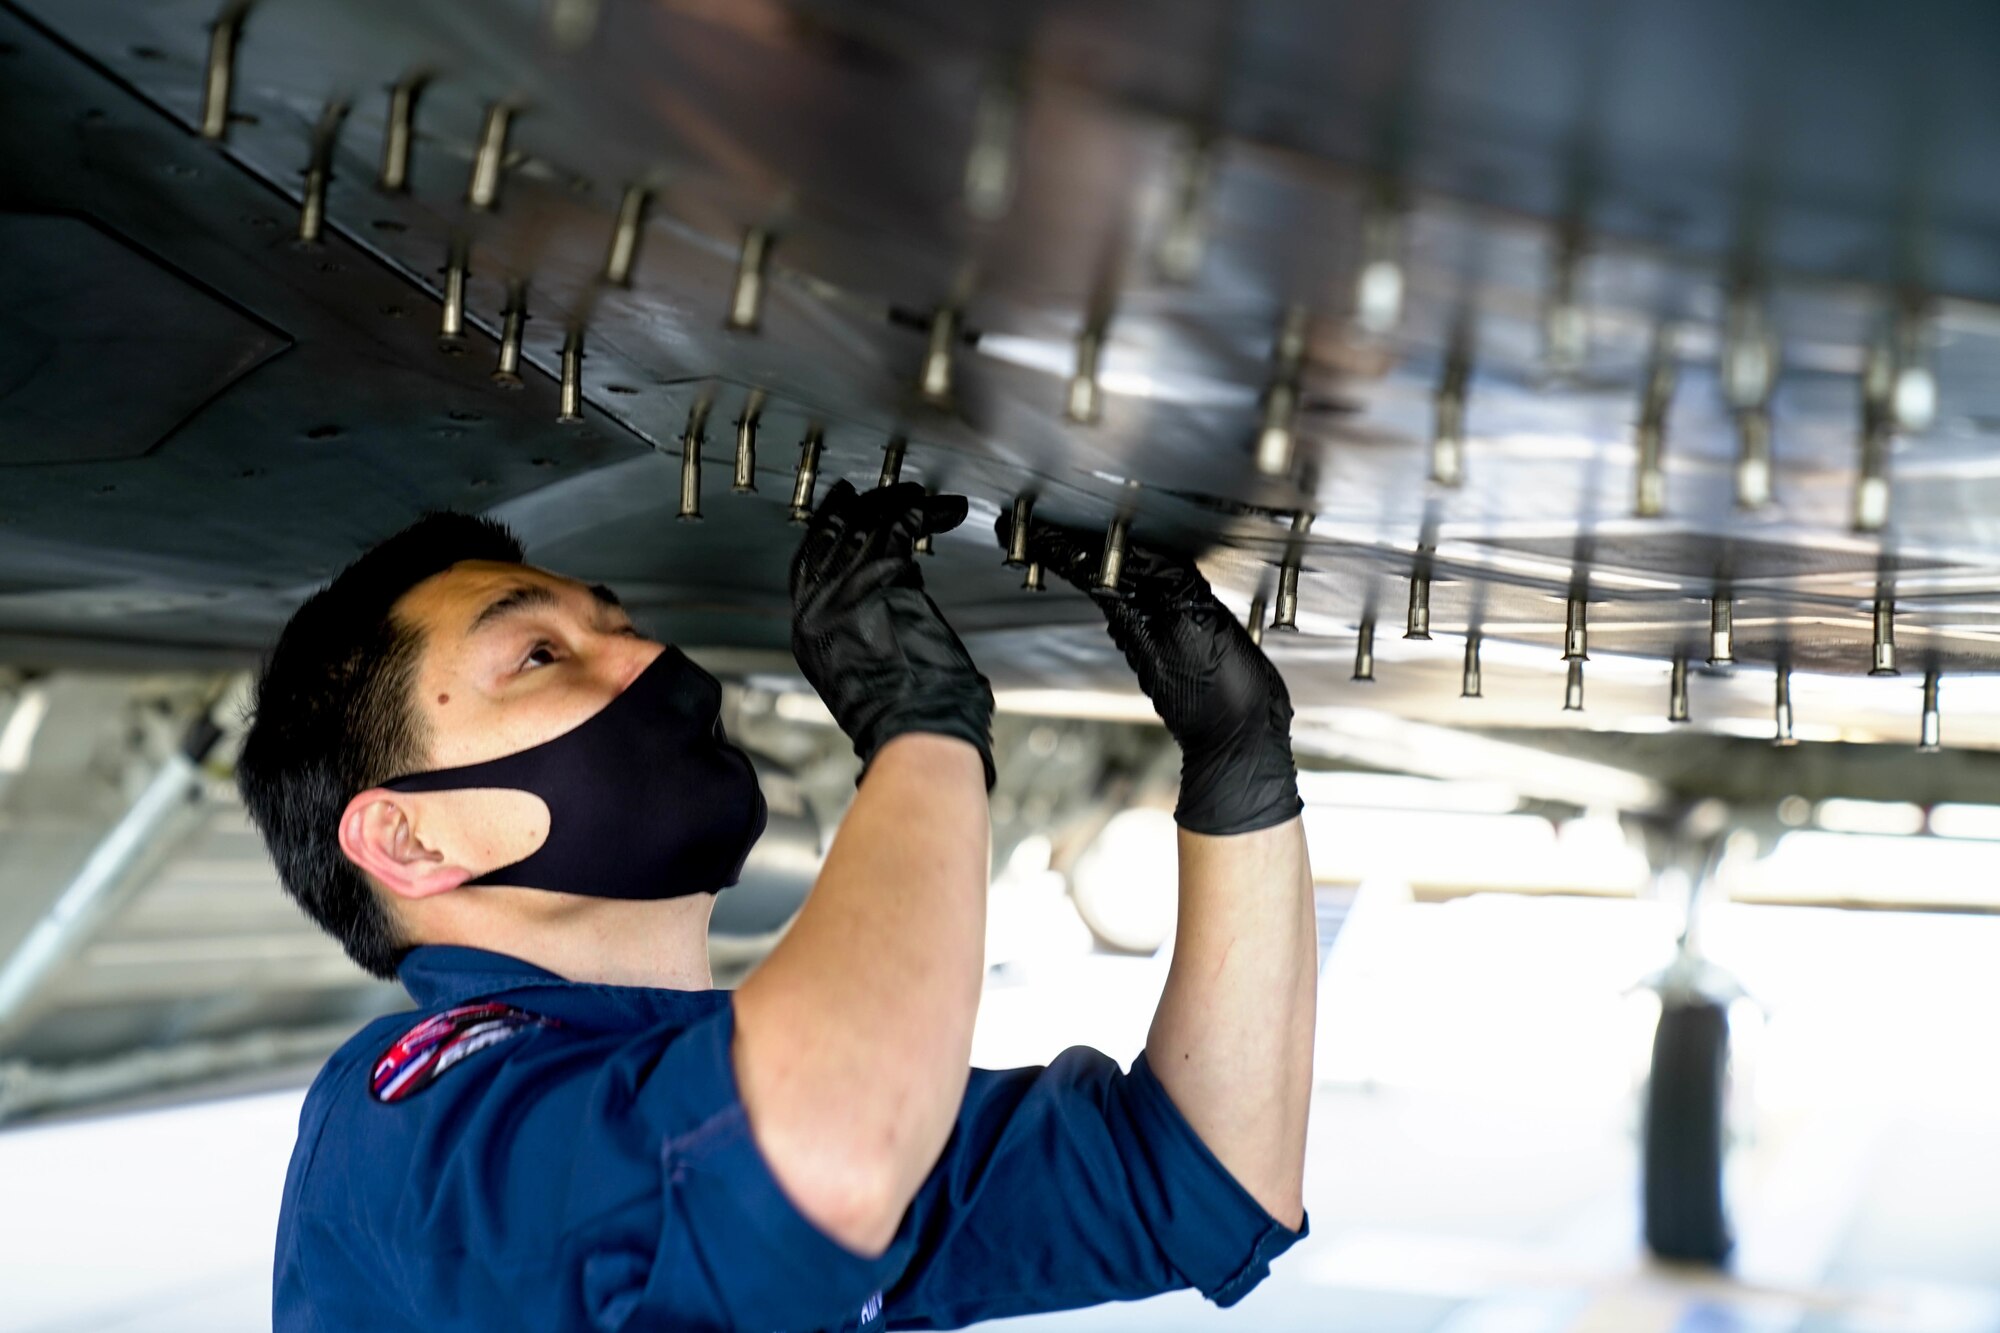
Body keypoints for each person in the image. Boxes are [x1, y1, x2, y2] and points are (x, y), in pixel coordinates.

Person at [237, 479, 1316, 1331]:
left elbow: (1198, 1179)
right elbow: (830, 1156)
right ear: (408, 837)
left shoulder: (693, 1089)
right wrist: (923, 732)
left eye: (619, 623)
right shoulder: (409, 1140)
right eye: (538, 655)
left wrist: (1237, 769)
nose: (650, 657)